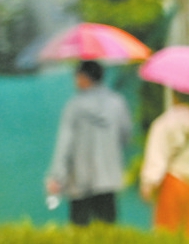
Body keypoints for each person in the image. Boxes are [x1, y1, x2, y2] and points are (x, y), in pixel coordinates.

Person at [46, 59, 133, 226]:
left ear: (84, 77)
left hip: (80, 180)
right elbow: (126, 136)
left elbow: (65, 144)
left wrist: (57, 176)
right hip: (108, 179)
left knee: (80, 231)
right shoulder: (117, 103)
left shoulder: (74, 106)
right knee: (108, 230)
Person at [140, 91, 189, 235]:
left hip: (174, 181)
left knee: (168, 234)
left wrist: (149, 183)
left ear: (174, 95)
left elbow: (158, 154)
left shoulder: (165, 123)